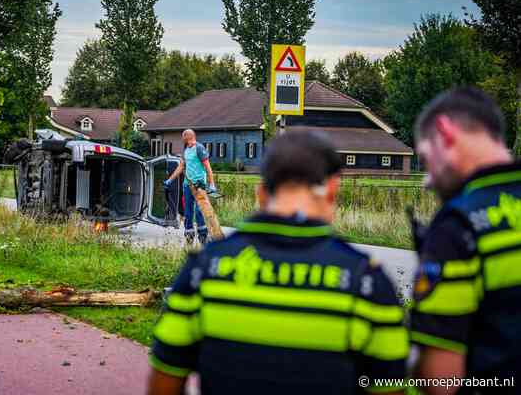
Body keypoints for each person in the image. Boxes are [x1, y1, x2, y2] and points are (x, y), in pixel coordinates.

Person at [148, 131, 408, 395]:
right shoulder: (368, 282)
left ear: (261, 193)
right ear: (332, 189)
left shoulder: (202, 270)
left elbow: (163, 382)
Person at [411, 87, 520, 394]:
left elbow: (440, 380)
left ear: (445, 132)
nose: (427, 180)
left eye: (425, 158)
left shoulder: (459, 225)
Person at [164, 129, 223, 244]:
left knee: (199, 210)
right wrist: (170, 180)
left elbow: (208, 167)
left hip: (199, 185)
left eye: (182, 136)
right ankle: (189, 234)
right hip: (187, 185)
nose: (182, 138)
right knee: (188, 211)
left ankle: (203, 235)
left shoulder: (199, 148)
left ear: (187, 136)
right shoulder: (186, 150)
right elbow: (181, 167)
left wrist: (211, 184)